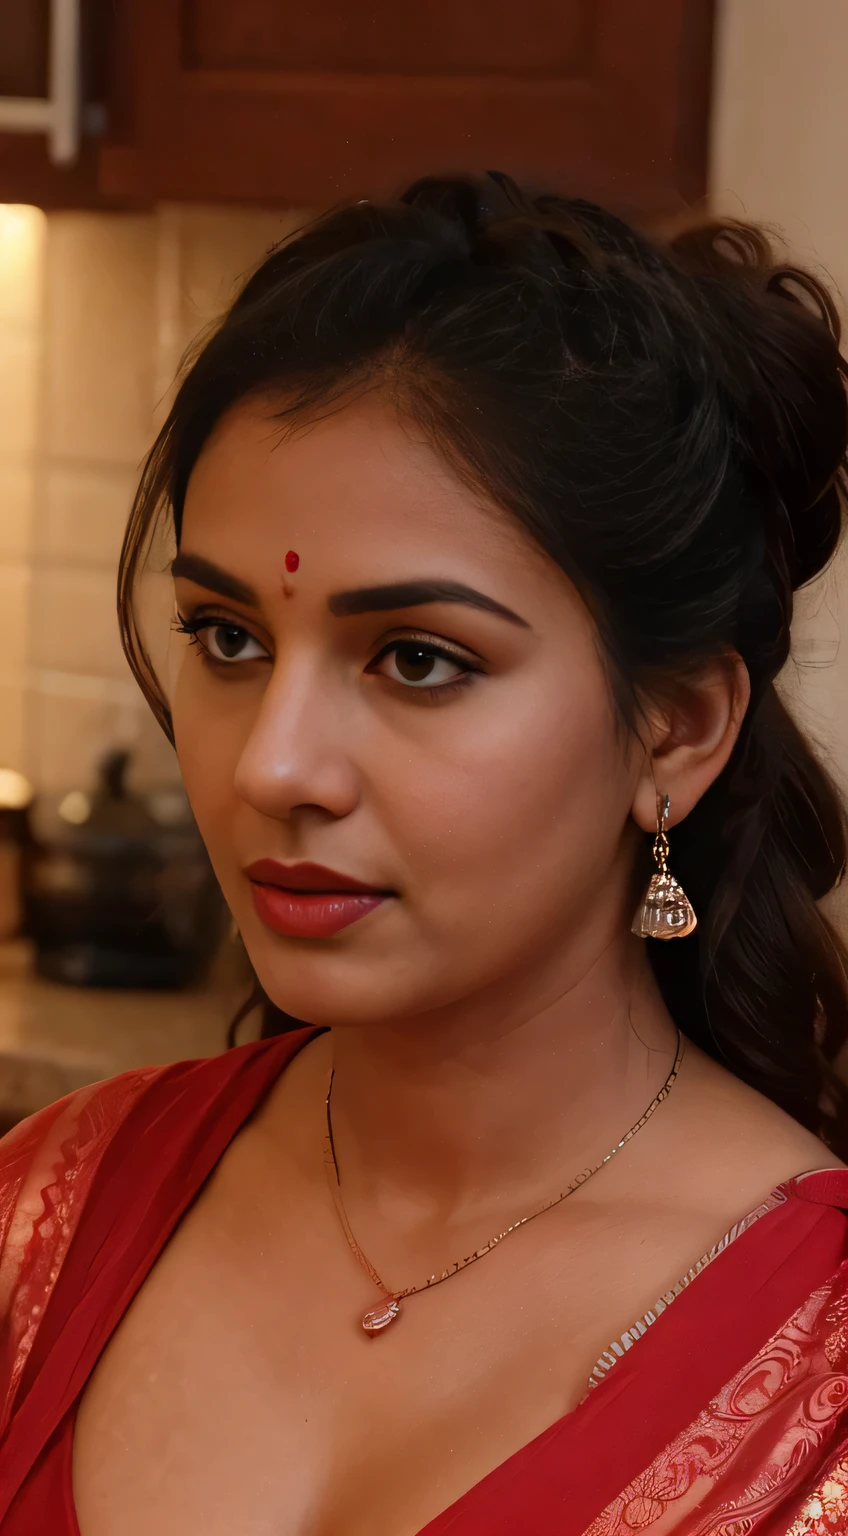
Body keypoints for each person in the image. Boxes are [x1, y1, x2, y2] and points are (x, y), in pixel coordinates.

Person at [1, 171, 848, 1535]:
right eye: (229, 638)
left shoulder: (819, 1394)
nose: (272, 764)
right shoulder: (41, 1218)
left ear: (676, 730)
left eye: (417, 660)